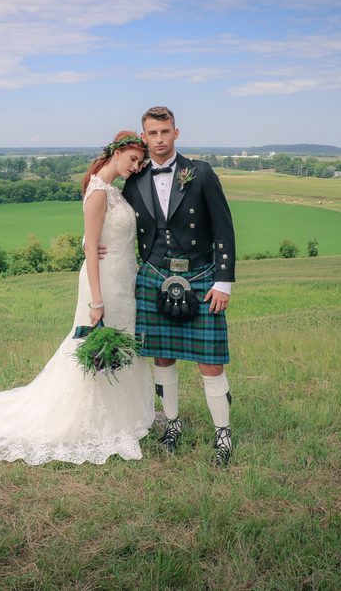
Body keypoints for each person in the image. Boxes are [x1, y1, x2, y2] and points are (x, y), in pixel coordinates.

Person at [0, 132, 155, 465]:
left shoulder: (110, 190)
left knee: (120, 344)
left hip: (124, 281)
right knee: (96, 344)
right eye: (133, 159)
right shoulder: (98, 192)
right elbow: (92, 253)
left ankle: (121, 416)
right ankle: (89, 419)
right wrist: (96, 301)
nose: (136, 166)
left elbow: (96, 235)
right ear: (118, 151)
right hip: (104, 284)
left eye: (140, 162)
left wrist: (88, 240)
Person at [121, 106, 236, 467]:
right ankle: (172, 424)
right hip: (155, 275)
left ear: (176, 133)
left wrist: (224, 282)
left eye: (165, 132)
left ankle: (223, 434)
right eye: (152, 133)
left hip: (201, 277)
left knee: (210, 362)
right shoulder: (134, 180)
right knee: (162, 356)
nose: (159, 139)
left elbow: (224, 228)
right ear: (144, 137)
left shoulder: (199, 173)